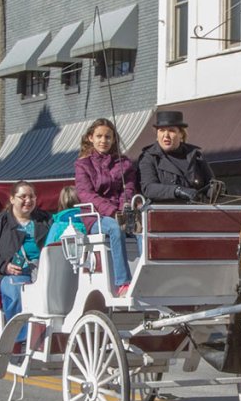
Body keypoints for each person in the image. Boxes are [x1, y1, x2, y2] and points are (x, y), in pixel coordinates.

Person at [0, 180, 51, 342]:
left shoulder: (45, 220)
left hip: (45, 269)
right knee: (16, 290)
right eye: (22, 196)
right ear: (12, 199)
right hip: (11, 272)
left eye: (31, 197)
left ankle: (52, 337)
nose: (28, 201)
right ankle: (19, 340)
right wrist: (4, 266)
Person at [74, 118, 137, 296]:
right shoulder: (82, 164)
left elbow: (129, 188)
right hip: (95, 217)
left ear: (114, 139)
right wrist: (111, 211)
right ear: (90, 138)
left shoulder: (124, 163)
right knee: (115, 228)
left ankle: (145, 276)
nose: (104, 141)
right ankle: (123, 282)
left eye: (108, 137)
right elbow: (86, 194)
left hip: (120, 212)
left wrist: (124, 206)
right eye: (99, 136)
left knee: (143, 229)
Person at [138, 110, 215, 202]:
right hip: (164, 213)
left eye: (171, 131)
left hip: (196, 212)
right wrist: (177, 190)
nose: (166, 135)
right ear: (157, 134)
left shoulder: (196, 156)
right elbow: (149, 188)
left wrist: (215, 190)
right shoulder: (149, 157)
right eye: (161, 130)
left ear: (181, 134)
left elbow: (211, 184)